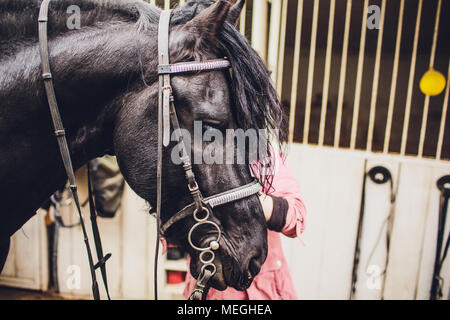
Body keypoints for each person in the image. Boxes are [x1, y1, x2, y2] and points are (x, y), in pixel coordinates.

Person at [183, 150, 307, 300]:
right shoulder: (190, 156)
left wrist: (246, 200)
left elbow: (297, 216)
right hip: (211, 289)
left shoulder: (263, 155)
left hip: (266, 290)